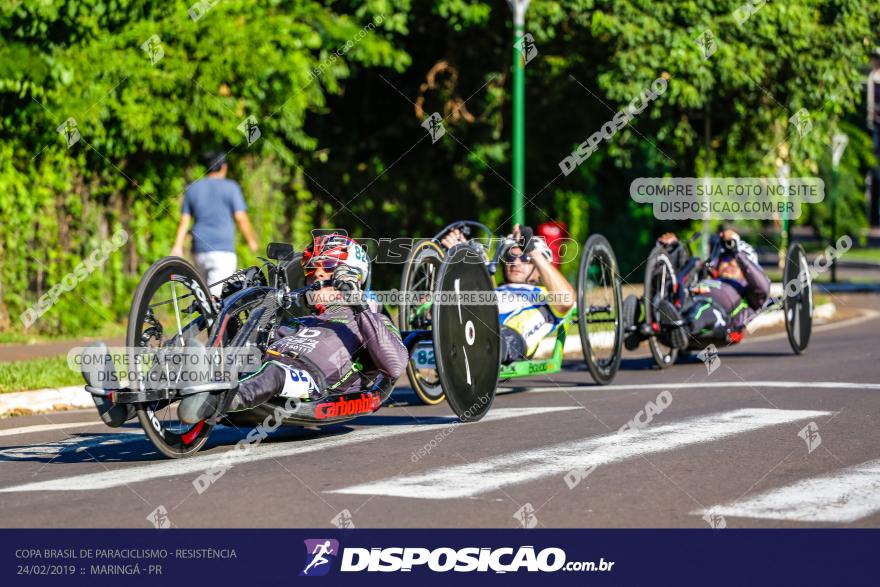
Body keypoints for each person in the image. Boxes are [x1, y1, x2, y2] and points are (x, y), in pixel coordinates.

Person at [177, 232, 408, 424]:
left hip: (311, 380)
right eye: (311, 271)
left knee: (273, 371)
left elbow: (395, 365)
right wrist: (230, 303)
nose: (316, 274)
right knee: (249, 355)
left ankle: (210, 401)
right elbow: (248, 348)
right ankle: (159, 389)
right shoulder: (303, 319)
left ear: (355, 276)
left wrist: (357, 302)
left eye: (328, 268)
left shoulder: (372, 321)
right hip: (264, 363)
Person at [440, 224, 575, 364]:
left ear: (539, 267)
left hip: (507, 338)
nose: (515, 263)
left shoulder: (547, 295)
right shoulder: (496, 290)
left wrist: (532, 251)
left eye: (524, 258)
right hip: (471, 327)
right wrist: (462, 252)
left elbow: (566, 301)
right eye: (510, 257)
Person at [624, 229, 770, 350]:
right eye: (725, 260)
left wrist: (737, 252)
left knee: (702, 309)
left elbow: (763, 287)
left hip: (718, 318)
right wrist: (671, 249)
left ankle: (681, 328)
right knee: (670, 287)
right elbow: (681, 275)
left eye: (734, 262)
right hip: (685, 302)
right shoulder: (707, 278)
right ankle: (636, 327)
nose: (728, 264)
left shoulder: (748, 292)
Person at [171, 151, 259, 296]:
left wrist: (178, 245)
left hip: (199, 252)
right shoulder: (231, 187)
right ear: (223, 167)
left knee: (204, 300)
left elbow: (184, 221)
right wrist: (251, 241)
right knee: (217, 301)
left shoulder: (193, 188)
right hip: (223, 253)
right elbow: (241, 218)